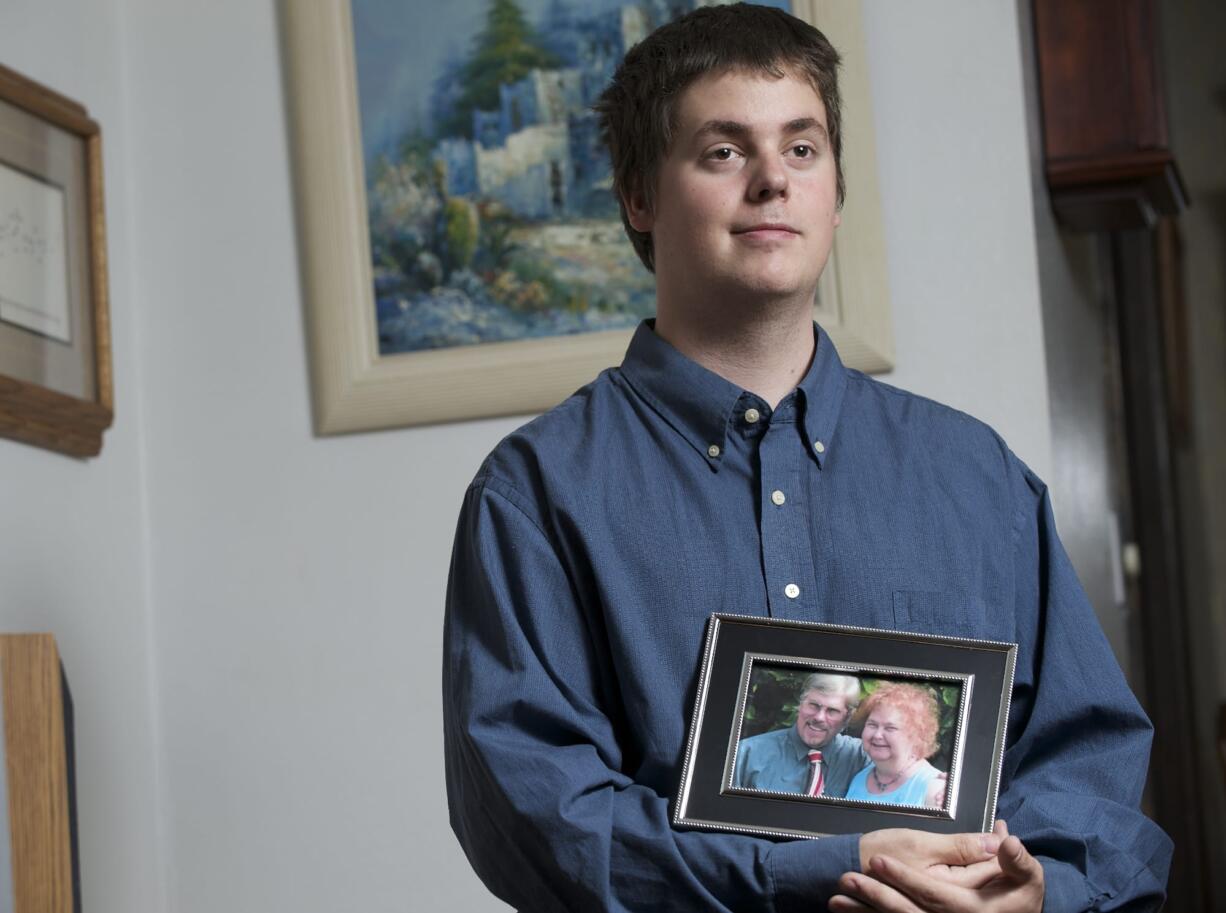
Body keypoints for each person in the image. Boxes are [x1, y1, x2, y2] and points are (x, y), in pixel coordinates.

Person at [442, 4, 1171, 911]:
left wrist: (1037, 893)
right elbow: (535, 815)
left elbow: (1086, 757)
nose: (771, 183)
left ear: (835, 188)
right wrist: (810, 872)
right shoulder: (538, 494)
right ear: (637, 194)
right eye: (722, 151)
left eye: (801, 148)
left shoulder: (977, 475)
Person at [733, 673, 868, 796]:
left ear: (847, 717)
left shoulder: (860, 757)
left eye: (832, 711)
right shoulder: (746, 755)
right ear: (800, 703)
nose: (819, 717)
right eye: (814, 705)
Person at [844, 683, 946, 809]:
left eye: (890, 728)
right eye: (872, 725)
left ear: (915, 737)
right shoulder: (860, 779)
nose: (877, 735)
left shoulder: (935, 790)